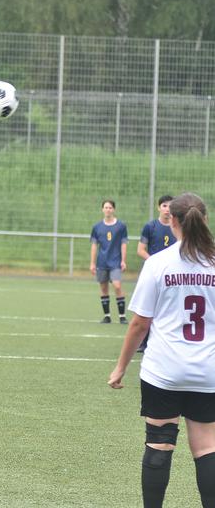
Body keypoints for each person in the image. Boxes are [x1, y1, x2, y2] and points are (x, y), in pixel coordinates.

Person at [108, 192, 215, 508]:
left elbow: (140, 324)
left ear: (173, 221)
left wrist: (120, 368)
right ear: (205, 220)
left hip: (164, 372)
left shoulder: (158, 264)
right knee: (207, 447)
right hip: (207, 373)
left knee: (159, 444)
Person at [135, 195, 175, 352]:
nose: (167, 209)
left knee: (168, 307)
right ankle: (143, 341)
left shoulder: (177, 226)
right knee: (147, 306)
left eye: (170, 206)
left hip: (171, 274)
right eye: (164, 205)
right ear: (159, 208)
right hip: (152, 272)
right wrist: (155, 262)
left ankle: (165, 341)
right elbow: (140, 250)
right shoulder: (150, 226)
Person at [90, 199, 129, 324]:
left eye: (110, 208)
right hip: (102, 263)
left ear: (114, 209)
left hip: (115, 262)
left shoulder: (121, 226)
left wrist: (123, 260)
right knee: (103, 287)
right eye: (106, 207)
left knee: (117, 286)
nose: (108, 210)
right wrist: (92, 263)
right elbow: (94, 246)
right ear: (102, 209)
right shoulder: (97, 227)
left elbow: (123, 244)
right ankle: (107, 316)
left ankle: (122, 316)